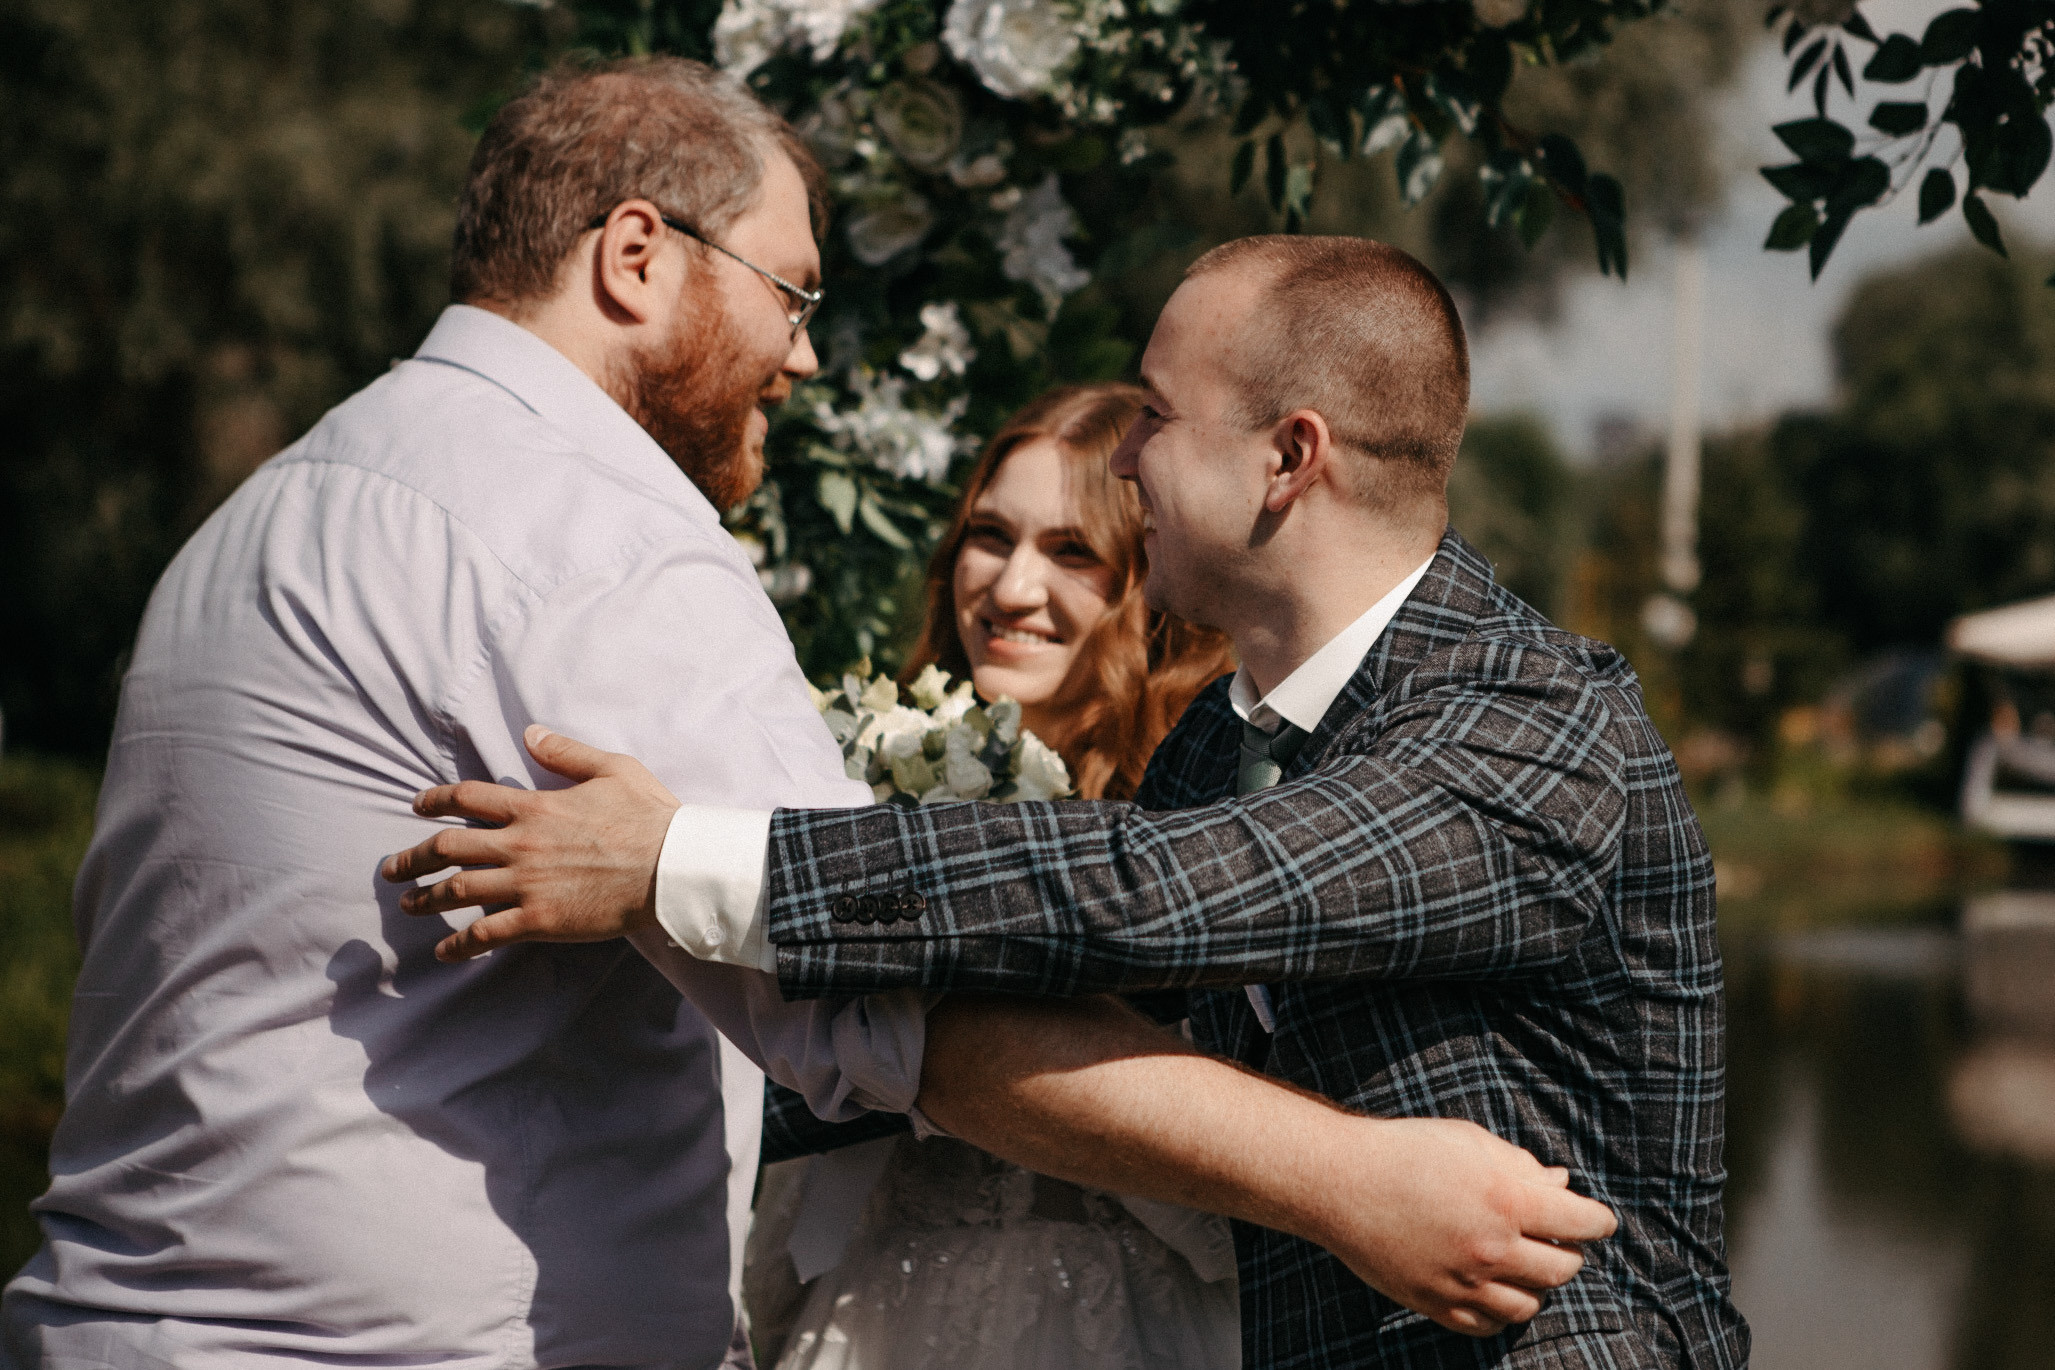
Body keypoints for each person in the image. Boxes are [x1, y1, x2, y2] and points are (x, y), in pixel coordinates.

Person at [4, 57, 1612, 1370]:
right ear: (638, 258)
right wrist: (1351, 1182)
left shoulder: (263, 518)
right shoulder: (593, 537)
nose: (801, 354)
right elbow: (877, 998)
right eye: (787, 292)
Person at [385, 234, 1750, 1368]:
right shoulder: (1224, 740)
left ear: (1289, 456)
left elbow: (1151, 895)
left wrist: (679, 860)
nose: (1124, 462)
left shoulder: (1528, 724)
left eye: (1153, 417)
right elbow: (1072, 1031)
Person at [747, 383, 1240, 1370]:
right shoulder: (858, 788)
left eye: (1071, 551)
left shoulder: (1199, 828)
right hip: (867, 1311)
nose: (1010, 589)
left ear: (1151, 576)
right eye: (988, 535)